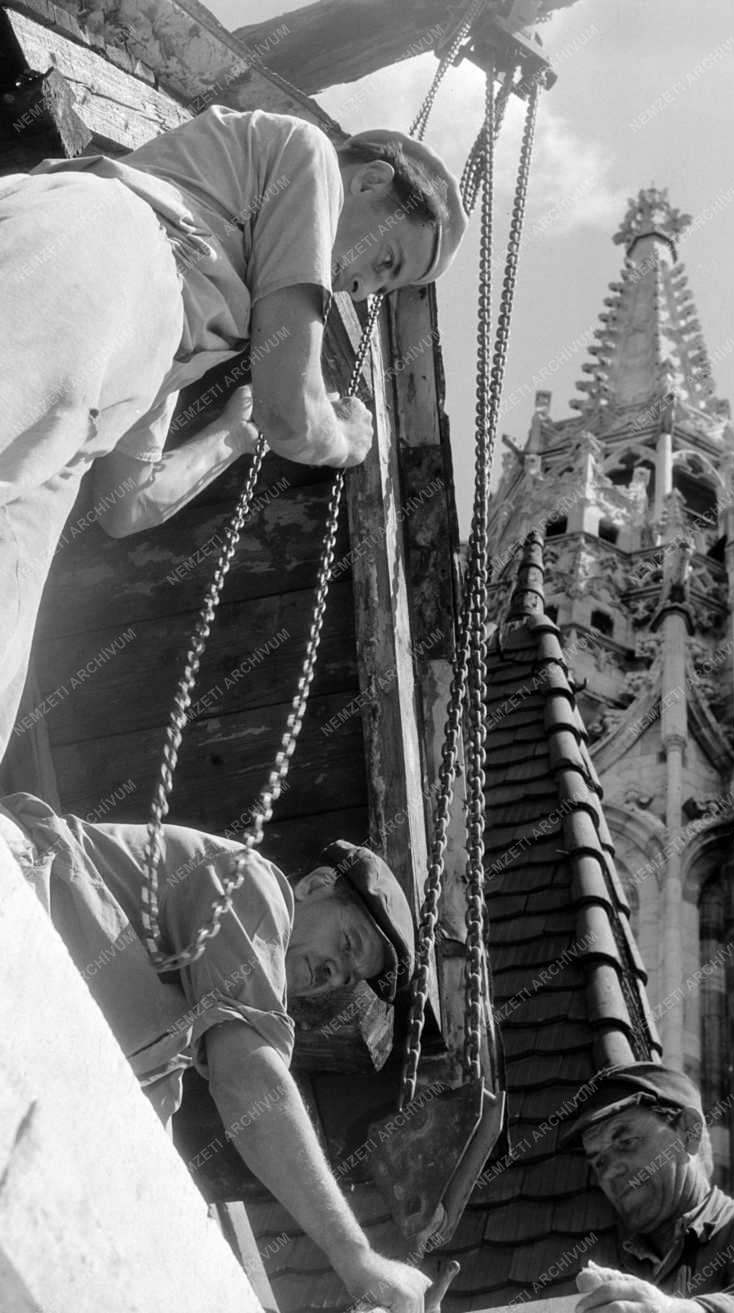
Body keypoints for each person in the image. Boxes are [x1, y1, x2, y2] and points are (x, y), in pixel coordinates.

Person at [0, 106, 467, 757]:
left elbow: (127, 504)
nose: (363, 289)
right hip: (97, 241)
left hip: (125, 366)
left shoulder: (198, 318)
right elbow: (292, 409)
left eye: (383, 286)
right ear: (369, 182)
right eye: (387, 261)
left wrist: (230, 436)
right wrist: (342, 437)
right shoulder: (307, 156)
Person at [0, 791, 432, 1313]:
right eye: (345, 943)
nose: (330, 973)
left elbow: (137, 1172)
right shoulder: (255, 886)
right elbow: (249, 1080)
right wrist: (357, 1257)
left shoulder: (171, 1047)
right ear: (317, 886)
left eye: (345, 974)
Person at [565, 1062, 734, 1313]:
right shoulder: (614, 1263)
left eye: (625, 1142)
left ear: (689, 1131)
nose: (611, 1171)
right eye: (599, 1162)